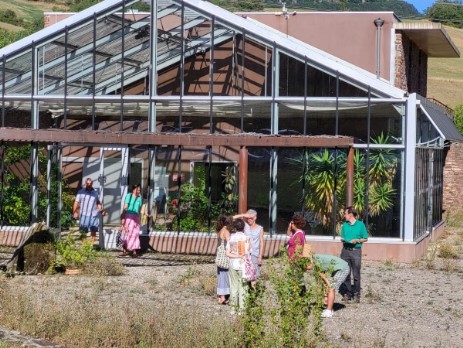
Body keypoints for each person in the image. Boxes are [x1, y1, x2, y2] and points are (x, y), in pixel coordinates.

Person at [339, 206, 369, 303]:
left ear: (350, 214)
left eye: (345, 213)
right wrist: (343, 239)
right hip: (345, 250)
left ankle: (356, 294)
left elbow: (366, 238)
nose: (344, 215)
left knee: (356, 274)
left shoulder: (360, 225)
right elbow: (342, 237)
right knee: (346, 273)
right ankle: (348, 293)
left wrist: (357, 240)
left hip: (356, 251)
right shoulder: (345, 225)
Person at [309, 253, 350, 318]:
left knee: (331, 287)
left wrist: (328, 286)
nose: (307, 269)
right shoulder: (314, 260)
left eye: (306, 267)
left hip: (343, 268)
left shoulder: (316, 261)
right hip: (336, 269)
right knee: (329, 285)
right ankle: (329, 307)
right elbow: (322, 279)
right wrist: (325, 295)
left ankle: (329, 311)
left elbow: (324, 277)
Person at [226, 218, 252, 315]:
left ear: (235, 227)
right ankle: (242, 309)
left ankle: (233, 309)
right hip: (243, 265)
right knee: (243, 287)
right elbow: (249, 250)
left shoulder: (231, 238)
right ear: (243, 227)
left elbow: (227, 253)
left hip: (233, 263)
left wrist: (236, 255)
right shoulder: (246, 238)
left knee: (233, 286)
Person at [234, 209, 264, 280]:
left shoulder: (260, 228)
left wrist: (260, 256)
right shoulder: (245, 225)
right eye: (248, 218)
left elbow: (261, 243)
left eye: (251, 218)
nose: (249, 219)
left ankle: (254, 291)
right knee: (246, 276)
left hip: (255, 254)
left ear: (255, 217)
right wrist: (243, 215)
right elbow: (231, 218)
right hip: (245, 254)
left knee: (254, 277)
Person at [120, 184, 148, 257]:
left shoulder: (139, 198)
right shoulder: (129, 196)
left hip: (136, 217)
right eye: (138, 190)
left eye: (139, 190)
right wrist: (123, 217)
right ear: (134, 189)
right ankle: (125, 250)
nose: (139, 191)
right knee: (126, 233)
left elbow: (141, 209)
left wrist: (146, 213)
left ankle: (134, 251)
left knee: (135, 234)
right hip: (128, 216)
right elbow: (125, 207)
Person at [216, 214, 233, 305]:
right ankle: (223, 297)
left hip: (219, 256)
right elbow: (229, 242)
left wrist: (243, 215)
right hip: (225, 257)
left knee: (220, 276)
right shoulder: (226, 230)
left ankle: (219, 297)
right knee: (225, 276)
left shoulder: (219, 231)